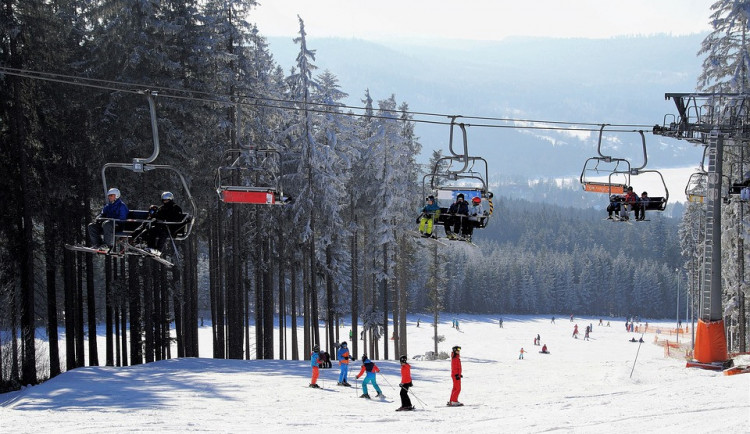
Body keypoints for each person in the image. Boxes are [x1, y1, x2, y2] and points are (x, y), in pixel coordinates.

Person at [141, 191, 183, 256]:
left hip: (170, 227)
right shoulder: (162, 208)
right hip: (161, 226)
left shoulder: (176, 208)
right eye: (164, 200)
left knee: (162, 233)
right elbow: (158, 215)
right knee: (152, 230)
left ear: (170, 200)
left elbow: (177, 218)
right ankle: (151, 247)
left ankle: (159, 250)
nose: (165, 202)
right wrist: (154, 216)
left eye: (166, 200)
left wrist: (166, 220)